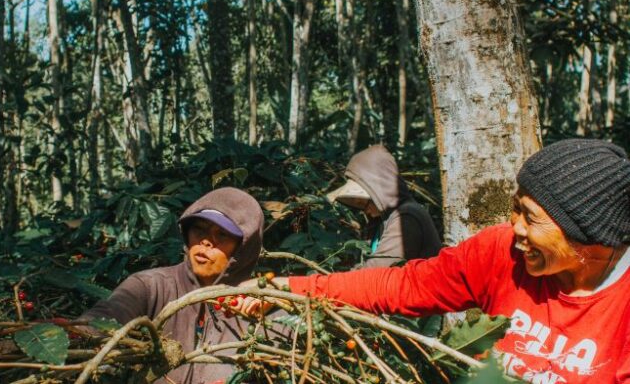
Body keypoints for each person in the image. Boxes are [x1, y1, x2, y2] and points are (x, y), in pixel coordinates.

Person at [238, 139, 630, 384]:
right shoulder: (500, 252)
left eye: (531, 218)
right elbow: (400, 285)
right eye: (516, 209)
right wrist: (288, 288)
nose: (516, 227)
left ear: (590, 239)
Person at [81, 187, 264, 384]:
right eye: (199, 229)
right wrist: (76, 332)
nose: (206, 241)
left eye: (222, 235)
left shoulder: (258, 304)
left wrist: (281, 283)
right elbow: (102, 318)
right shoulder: (151, 286)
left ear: (244, 248)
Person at [327, 144, 441, 267]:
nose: (365, 211)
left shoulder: (407, 216)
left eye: (365, 202)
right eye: (360, 205)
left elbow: (378, 270)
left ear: (379, 192)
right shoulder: (382, 220)